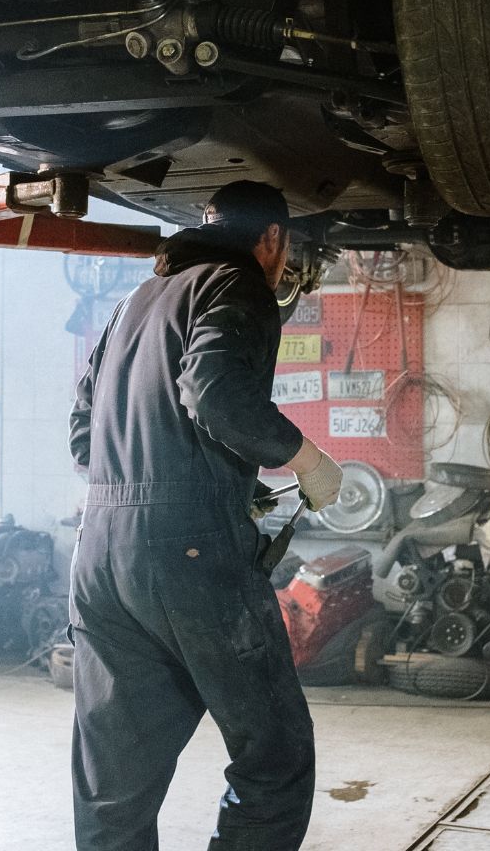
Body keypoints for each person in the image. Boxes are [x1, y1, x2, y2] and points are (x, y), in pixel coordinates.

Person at [68, 179, 343, 851]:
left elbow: (83, 435)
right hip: (190, 557)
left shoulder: (134, 301)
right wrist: (307, 460)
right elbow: (216, 394)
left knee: (115, 774)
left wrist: (182, 480)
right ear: (272, 240)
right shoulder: (237, 282)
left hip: (99, 552)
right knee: (274, 754)